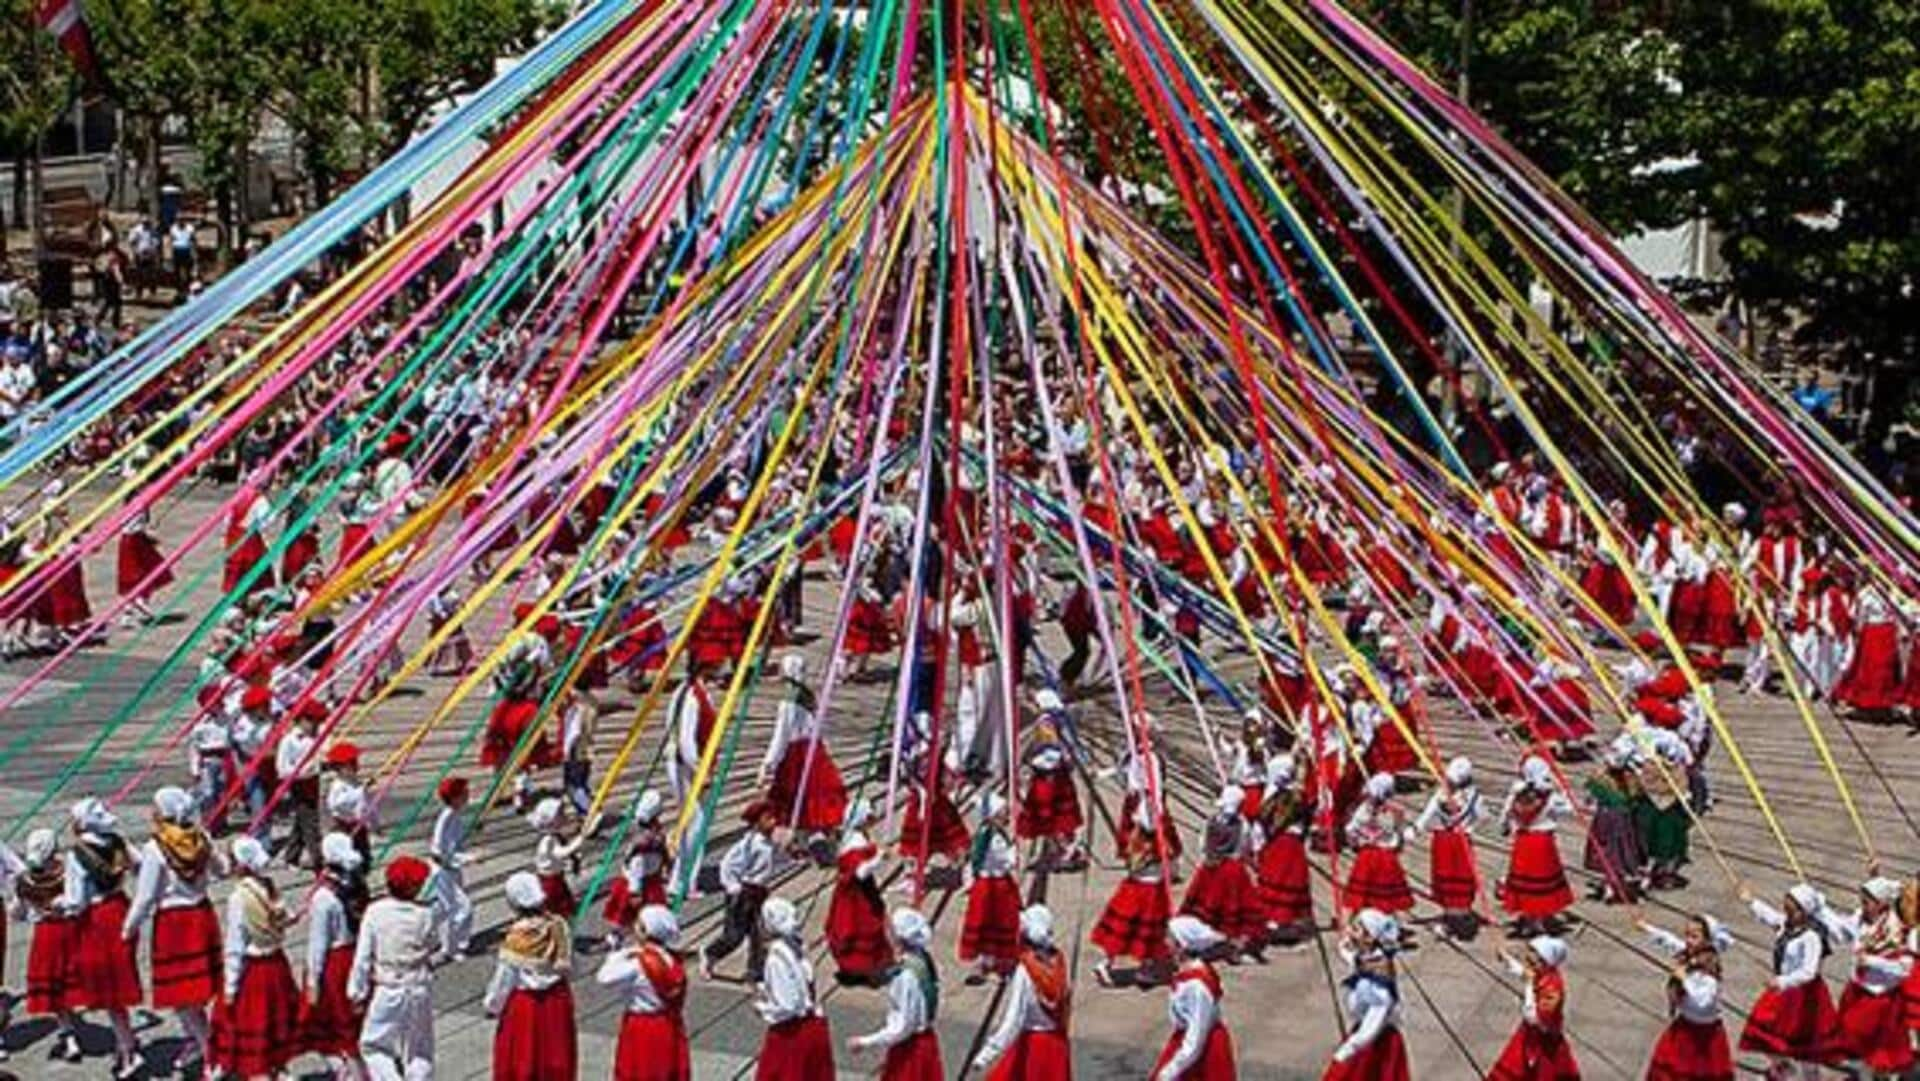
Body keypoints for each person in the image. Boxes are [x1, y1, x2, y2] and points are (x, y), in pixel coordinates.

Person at [125, 785, 226, 1075]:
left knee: (182, 996)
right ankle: (196, 1041)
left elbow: (145, 897)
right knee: (196, 991)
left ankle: (210, 1052)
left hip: (174, 923)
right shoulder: (201, 837)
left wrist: (129, 927)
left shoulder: (155, 847)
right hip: (202, 915)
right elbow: (223, 869)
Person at [210, 835, 303, 1079]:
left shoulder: (239, 898)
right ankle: (279, 1070)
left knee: (253, 1034)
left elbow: (235, 945)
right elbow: (285, 915)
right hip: (277, 964)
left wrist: (230, 987)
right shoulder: (269, 885)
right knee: (275, 1026)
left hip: (254, 971)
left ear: (241, 865)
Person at [63, 798, 144, 1078]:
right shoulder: (118, 841)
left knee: (109, 988)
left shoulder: (78, 853)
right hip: (121, 906)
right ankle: (127, 1045)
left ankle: (128, 1049)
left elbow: (76, 900)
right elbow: (140, 865)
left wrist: (57, 904)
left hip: (97, 919)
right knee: (119, 981)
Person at [350, 855, 439, 1080]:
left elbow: (363, 956)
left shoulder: (375, 911)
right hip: (419, 986)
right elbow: (433, 944)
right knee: (420, 1049)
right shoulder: (426, 914)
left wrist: (356, 991)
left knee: (373, 1045)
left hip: (388, 986)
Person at [1737, 882, 1839, 1078]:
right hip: (1783, 992)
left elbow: (1809, 971)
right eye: (1787, 907)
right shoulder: (1787, 924)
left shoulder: (1811, 937)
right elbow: (1769, 916)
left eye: (1792, 909)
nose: (1787, 913)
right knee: (1763, 1032)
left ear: (1804, 912)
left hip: (1805, 997)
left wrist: (1783, 981)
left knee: (1806, 1051)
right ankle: (1783, 1066)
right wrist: (1751, 901)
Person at [486, 872, 579, 1081]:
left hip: (526, 1006)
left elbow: (504, 980)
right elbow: (571, 966)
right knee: (556, 1058)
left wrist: (492, 1005)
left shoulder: (518, 936)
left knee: (523, 1059)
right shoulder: (559, 925)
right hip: (557, 999)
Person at [1828, 876, 1913, 1078]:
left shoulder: (1895, 929)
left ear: (1881, 904)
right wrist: (1820, 911)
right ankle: (1868, 1073)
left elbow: (1905, 969)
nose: (1862, 906)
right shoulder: (1862, 918)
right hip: (1858, 989)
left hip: (1880, 997)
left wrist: (1874, 962)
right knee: (1855, 1039)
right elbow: (1841, 931)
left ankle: (1874, 1074)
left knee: (1865, 1038)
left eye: (1867, 902)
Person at [975, 904, 1071, 1081]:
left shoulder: (1025, 971)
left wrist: (987, 1053)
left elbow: (1014, 1018)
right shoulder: (1058, 960)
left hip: (1032, 1046)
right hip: (1057, 1043)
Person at [847, 908, 944, 1080]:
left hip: (910, 1049)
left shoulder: (905, 976)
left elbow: (902, 1026)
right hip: (926, 1043)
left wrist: (865, 1041)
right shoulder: (923, 958)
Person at [760, 653, 848, 839]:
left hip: (796, 753)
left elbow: (781, 735)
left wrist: (768, 763)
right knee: (815, 789)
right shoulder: (807, 696)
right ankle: (819, 830)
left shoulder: (788, 702)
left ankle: (799, 837)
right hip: (814, 749)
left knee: (791, 794)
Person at [600, 903, 691, 1081]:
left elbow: (604, 978)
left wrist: (616, 953)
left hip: (641, 1026)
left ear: (645, 930)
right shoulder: (671, 958)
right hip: (668, 1023)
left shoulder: (638, 963)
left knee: (638, 1071)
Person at [1639, 913, 1735, 1081]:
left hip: (1704, 1035)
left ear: (1707, 940)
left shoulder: (1709, 969)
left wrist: (1684, 979)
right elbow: (1669, 941)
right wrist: (1646, 928)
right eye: (1687, 935)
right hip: (1684, 1025)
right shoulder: (1690, 956)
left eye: (1694, 936)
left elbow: (1703, 1001)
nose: (1688, 940)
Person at [16, 828, 84, 1062]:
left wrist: (32, 910)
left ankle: (69, 1035)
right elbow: (78, 899)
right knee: (67, 981)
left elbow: (18, 912)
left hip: (45, 934)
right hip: (69, 929)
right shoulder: (66, 871)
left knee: (53, 986)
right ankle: (70, 1035)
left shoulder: (25, 880)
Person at [304, 833, 368, 1080]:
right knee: (354, 1018)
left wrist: (312, 979)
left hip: (336, 963)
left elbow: (318, 943)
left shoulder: (324, 897)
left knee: (331, 1021)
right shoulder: (357, 883)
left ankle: (351, 1072)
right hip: (356, 953)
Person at [754, 895, 836, 1081]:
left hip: (791, 1035)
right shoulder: (795, 947)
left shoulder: (776, 959)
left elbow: (789, 1006)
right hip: (814, 1027)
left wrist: (763, 1008)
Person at [1092, 799, 1173, 985]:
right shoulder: (1155, 844)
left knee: (1125, 928)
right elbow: (1169, 854)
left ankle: (1107, 963)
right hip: (1150, 890)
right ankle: (1145, 969)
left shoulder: (1135, 839)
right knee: (1148, 930)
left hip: (1132, 888)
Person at [1323, 909, 1410, 1081]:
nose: (1351, 932)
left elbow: (1372, 1024)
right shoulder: (1369, 959)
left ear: (1369, 938)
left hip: (1373, 1042)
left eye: (1356, 929)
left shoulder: (1378, 984)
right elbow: (1351, 956)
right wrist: (1345, 941)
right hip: (1362, 1035)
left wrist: (1347, 1050)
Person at [1152, 915, 1236, 1081]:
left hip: (1201, 1051)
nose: (1165, 942)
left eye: (1170, 937)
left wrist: (1172, 1070)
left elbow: (1197, 1034)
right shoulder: (1187, 973)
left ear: (1181, 946)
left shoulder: (1196, 986)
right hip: (1187, 1043)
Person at [1180, 786, 1262, 954]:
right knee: (1233, 904)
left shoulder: (1211, 821)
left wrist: (1205, 859)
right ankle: (1232, 939)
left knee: (1206, 900)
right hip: (1233, 869)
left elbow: (1202, 843)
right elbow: (1247, 846)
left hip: (1210, 866)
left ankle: (1203, 935)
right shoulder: (1243, 824)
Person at [703, 799, 779, 982]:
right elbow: (728, 865)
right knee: (734, 935)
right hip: (743, 894)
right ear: (756, 823)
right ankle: (710, 953)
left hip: (759, 893)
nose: (774, 822)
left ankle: (756, 971)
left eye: (774, 818)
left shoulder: (768, 843)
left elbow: (768, 865)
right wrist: (733, 887)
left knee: (758, 934)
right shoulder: (748, 844)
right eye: (768, 818)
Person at [1499, 756, 1576, 932]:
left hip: (1523, 842)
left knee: (1524, 881)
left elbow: (1504, 816)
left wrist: (1505, 827)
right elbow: (1570, 807)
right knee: (1542, 881)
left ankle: (1528, 917)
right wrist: (1562, 788)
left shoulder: (1517, 795)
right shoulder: (1550, 797)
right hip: (1542, 843)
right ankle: (1540, 918)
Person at [1488, 936, 1581, 1080]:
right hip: (1530, 1034)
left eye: (1533, 952)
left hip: (1544, 1040)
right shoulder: (1542, 973)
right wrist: (1505, 958)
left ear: (1544, 960)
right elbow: (1523, 972)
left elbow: (1534, 1017)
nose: (1528, 956)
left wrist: (1529, 987)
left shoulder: (1552, 989)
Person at [824, 798, 892, 985]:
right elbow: (860, 873)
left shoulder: (852, 836)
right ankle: (865, 969)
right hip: (857, 895)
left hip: (850, 892)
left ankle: (855, 969)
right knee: (862, 926)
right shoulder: (855, 842)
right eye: (870, 816)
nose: (874, 819)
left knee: (854, 927)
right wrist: (879, 857)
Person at [960, 793, 1023, 983]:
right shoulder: (994, 838)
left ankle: (986, 959)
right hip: (996, 886)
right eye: (1004, 812)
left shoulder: (984, 832)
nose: (1007, 816)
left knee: (985, 920)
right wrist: (1014, 852)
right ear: (994, 815)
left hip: (985, 886)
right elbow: (1006, 862)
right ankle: (999, 963)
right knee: (1000, 920)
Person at [1416, 756, 1481, 937]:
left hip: (1457, 840)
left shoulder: (1472, 796)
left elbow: (1481, 816)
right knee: (1445, 876)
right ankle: (1449, 916)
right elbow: (1429, 811)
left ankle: (1459, 917)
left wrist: (1469, 828)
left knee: (1459, 875)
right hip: (1445, 840)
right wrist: (1416, 828)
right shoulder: (1443, 792)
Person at [1253, 753, 1314, 942]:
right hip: (1293, 848)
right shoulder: (1298, 797)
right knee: (1291, 882)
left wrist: (1258, 849)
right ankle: (1284, 922)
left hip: (1275, 848)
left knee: (1275, 881)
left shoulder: (1271, 799)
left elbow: (1261, 825)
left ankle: (1274, 922)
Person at [602, 789, 670, 949]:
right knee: (631, 917)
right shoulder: (643, 844)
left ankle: (650, 942)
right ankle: (617, 940)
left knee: (642, 917)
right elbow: (636, 868)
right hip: (640, 885)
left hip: (650, 881)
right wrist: (635, 891)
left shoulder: (650, 833)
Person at [1344, 772, 1415, 916]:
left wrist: (1355, 843)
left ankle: (1352, 928)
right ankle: (1384, 925)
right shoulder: (1397, 811)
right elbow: (1399, 835)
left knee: (1360, 894)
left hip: (1367, 856)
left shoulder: (1365, 808)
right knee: (1385, 897)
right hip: (1388, 858)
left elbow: (1350, 829)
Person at [428, 776, 474, 961]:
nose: (468, 795)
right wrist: (466, 858)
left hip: (451, 868)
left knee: (449, 908)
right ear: (455, 798)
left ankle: (449, 943)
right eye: (464, 793)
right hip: (443, 869)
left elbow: (454, 843)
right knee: (461, 908)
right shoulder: (446, 817)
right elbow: (440, 851)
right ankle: (451, 947)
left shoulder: (455, 815)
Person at [529, 796, 587, 918]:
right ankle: (558, 928)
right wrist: (581, 839)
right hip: (550, 881)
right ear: (551, 820)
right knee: (557, 907)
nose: (564, 815)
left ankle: (562, 926)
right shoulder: (548, 839)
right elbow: (561, 853)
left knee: (563, 905)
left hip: (555, 877)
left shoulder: (552, 836)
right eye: (560, 814)